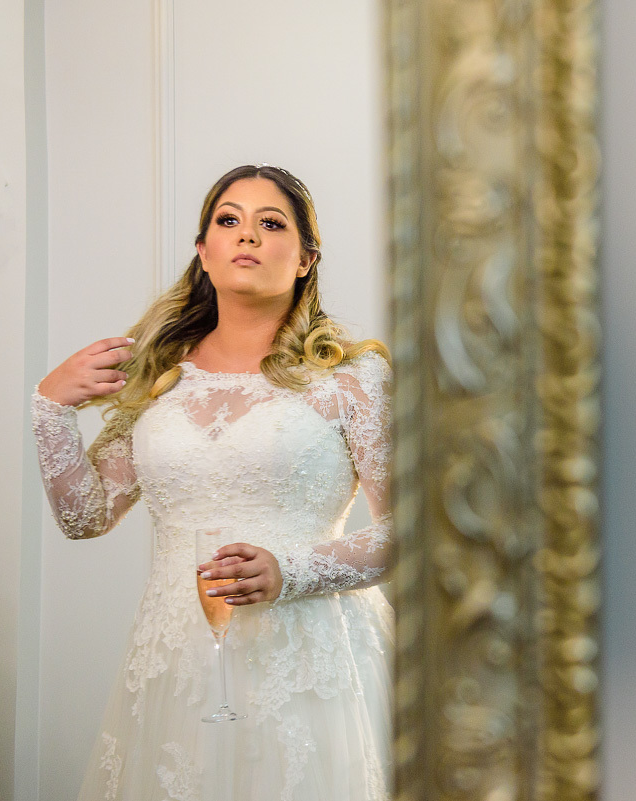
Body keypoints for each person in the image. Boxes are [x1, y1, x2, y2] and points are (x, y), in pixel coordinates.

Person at [30, 164, 394, 800]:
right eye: (229, 220)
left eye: (270, 223)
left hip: (311, 665)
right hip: (177, 664)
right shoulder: (158, 377)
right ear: (204, 251)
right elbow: (84, 516)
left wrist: (290, 571)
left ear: (306, 260)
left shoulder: (352, 378)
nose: (246, 235)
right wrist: (50, 407)